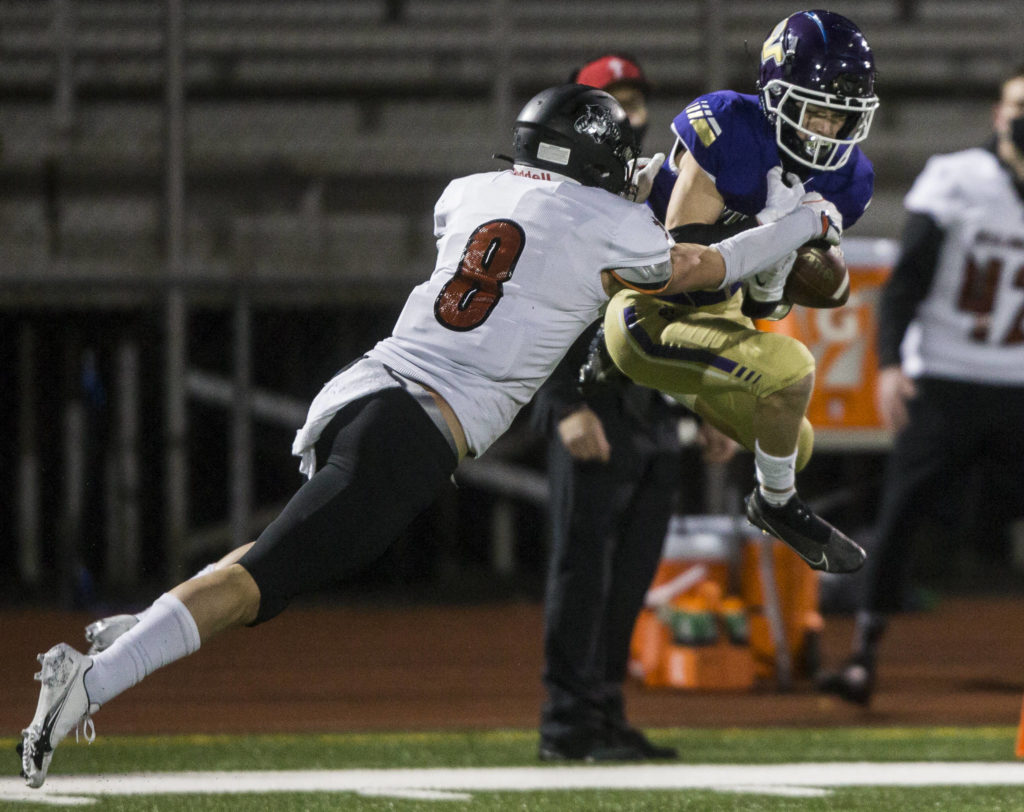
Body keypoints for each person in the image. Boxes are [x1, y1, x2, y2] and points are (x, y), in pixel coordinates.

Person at [18, 82, 842, 788]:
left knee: (271, 556)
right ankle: (91, 681)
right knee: (266, 583)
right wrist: (799, 222)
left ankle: (137, 632)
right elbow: (701, 268)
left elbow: (530, 234)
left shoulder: (465, 192)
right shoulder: (605, 224)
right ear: (590, 157)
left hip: (363, 391)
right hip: (417, 428)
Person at [600, 8, 879, 575]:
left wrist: (780, 270)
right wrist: (785, 234)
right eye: (816, 111)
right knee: (791, 368)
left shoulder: (850, 178)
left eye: (841, 119)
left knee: (791, 441)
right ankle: (777, 505)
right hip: (645, 309)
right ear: (776, 97)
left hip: (716, 318)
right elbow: (680, 269)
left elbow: (771, 302)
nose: (827, 131)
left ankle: (772, 489)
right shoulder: (728, 123)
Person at [532, 54, 737, 762]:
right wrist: (563, 404)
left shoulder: (662, 190)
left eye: (633, 98)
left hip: (649, 410)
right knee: (581, 571)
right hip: (593, 406)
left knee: (627, 581)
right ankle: (566, 726)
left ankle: (605, 715)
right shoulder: (553, 197)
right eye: (608, 99)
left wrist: (712, 400)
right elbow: (536, 311)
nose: (628, 110)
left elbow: (680, 307)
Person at [817, 64, 1024, 706]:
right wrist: (889, 365)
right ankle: (862, 657)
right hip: (947, 375)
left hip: (1019, 383)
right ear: (998, 113)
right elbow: (906, 281)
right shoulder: (956, 177)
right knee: (903, 516)